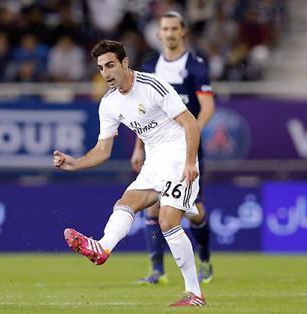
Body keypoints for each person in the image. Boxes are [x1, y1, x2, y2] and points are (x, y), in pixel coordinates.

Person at [54, 40, 206, 307]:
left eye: (111, 65)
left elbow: (191, 123)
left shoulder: (152, 86)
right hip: (154, 161)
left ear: (125, 63)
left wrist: (191, 162)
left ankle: (194, 294)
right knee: (124, 204)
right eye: (101, 68)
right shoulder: (109, 103)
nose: (106, 73)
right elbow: (103, 150)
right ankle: (102, 248)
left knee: (168, 221)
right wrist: (75, 163)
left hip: (179, 154)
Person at [132, 11, 216, 285]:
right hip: (157, 148)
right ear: (158, 34)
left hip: (186, 150)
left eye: (173, 29)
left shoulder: (195, 67)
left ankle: (205, 260)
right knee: (153, 205)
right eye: (164, 29)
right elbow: (143, 113)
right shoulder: (149, 68)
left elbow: (207, 108)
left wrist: (190, 137)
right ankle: (157, 270)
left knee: (195, 210)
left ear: (183, 33)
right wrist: (138, 148)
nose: (168, 33)